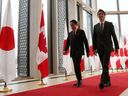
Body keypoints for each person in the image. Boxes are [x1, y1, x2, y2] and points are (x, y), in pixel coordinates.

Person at [93, 9, 119, 89]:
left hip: (108, 48)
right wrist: (94, 48)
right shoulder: (96, 26)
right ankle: (108, 82)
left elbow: (114, 36)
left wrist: (116, 47)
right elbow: (94, 38)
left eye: (102, 14)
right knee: (105, 66)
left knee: (104, 64)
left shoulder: (109, 24)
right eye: (99, 14)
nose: (100, 15)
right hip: (100, 49)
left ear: (104, 15)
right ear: (98, 16)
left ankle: (102, 82)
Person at [64, 20, 89, 87]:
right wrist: (65, 50)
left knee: (76, 65)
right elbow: (68, 43)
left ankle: (79, 80)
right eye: (70, 25)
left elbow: (85, 41)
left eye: (72, 24)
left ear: (76, 24)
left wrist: (87, 51)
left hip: (79, 51)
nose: (71, 26)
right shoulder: (70, 34)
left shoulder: (81, 32)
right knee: (75, 66)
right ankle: (79, 80)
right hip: (73, 52)